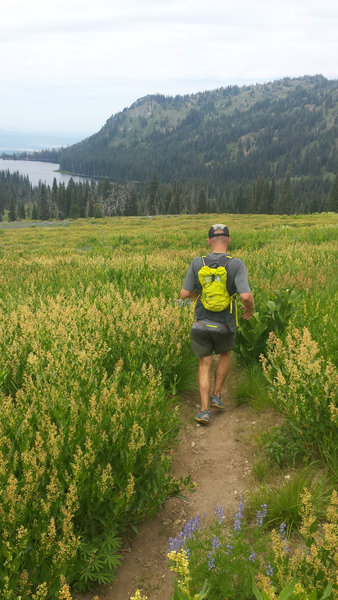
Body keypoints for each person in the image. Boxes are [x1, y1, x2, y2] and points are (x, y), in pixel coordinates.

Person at [180, 224, 254, 424]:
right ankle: (217, 395)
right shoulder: (236, 264)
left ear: (209, 241)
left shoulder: (198, 263)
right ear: (228, 240)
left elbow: (184, 294)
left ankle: (204, 410)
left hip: (201, 323)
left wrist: (197, 292)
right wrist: (250, 309)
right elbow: (246, 296)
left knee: (204, 363)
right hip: (225, 324)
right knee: (225, 354)